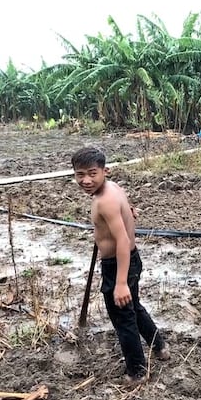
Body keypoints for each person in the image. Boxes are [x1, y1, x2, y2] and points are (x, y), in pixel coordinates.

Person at [71, 147, 170, 385]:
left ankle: (137, 372)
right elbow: (124, 209)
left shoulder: (105, 201)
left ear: (105, 171)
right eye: (80, 174)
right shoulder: (113, 189)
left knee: (123, 318)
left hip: (119, 263)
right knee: (134, 308)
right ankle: (160, 347)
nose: (86, 180)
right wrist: (129, 211)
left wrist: (121, 282)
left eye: (92, 173)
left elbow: (123, 240)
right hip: (130, 260)